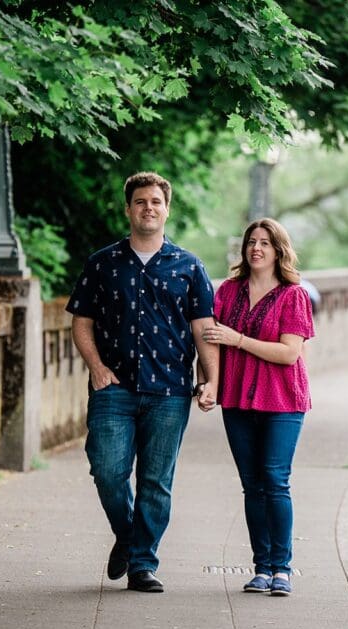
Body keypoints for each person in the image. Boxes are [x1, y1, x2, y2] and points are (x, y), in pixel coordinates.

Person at [67, 171, 218, 593]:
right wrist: (96, 366)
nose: (148, 207)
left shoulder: (189, 266)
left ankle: (142, 564)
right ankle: (129, 538)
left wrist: (213, 381)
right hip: (112, 388)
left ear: (166, 209)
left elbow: (203, 327)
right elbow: (82, 321)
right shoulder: (102, 263)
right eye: (140, 201)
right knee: (107, 470)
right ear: (128, 208)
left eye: (155, 201)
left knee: (156, 482)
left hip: (169, 391)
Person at [201, 217, 314, 597]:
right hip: (236, 398)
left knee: (275, 480)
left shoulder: (292, 295)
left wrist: (239, 339)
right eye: (252, 241)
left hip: (282, 400)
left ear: (278, 250)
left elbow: (288, 352)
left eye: (265, 242)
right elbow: (210, 340)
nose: (257, 248)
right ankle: (261, 567)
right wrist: (210, 383)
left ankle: (282, 568)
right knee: (252, 485)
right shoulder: (228, 292)